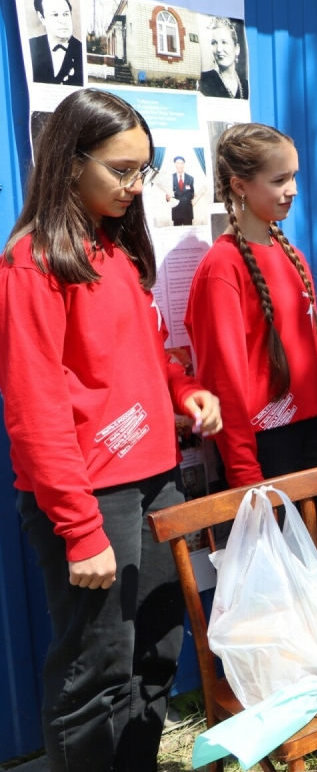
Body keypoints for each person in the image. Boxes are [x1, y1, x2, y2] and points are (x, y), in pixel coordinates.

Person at [0, 89, 223, 772]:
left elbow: (149, 355)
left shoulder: (117, 251)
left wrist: (185, 393)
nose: (134, 186)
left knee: (156, 649)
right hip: (92, 498)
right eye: (121, 169)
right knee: (95, 667)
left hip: (155, 481)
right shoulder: (32, 260)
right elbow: (33, 407)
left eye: (142, 170)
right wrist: (78, 526)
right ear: (70, 162)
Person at [185, 123, 317, 567]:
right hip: (263, 449)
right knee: (283, 592)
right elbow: (225, 383)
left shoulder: (289, 251)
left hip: (307, 439)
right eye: (279, 180)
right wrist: (245, 476)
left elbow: (311, 357)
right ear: (239, 185)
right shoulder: (222, 267)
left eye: (294, 177)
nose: (292, 190)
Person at [29, 0, 83, 86]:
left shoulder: (81, 50)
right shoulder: (29, 47)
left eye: (66, 14)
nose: (62, 21)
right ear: (42, 18)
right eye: (55, 15)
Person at [198, 17, 248, 100]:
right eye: (214, 43)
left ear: (237, 49)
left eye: (224, 42)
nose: (219, 49)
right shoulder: (203, 80)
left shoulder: (246, 86)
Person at [166, 156, 195, 226]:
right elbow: (168, 193)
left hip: (187, 212)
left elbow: (192, 193)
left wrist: (193, 195)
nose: (180, 165)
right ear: (175, 164)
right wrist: (168, 198)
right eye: (178, 163)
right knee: (177, 234)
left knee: (189, 235)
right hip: (176, 212)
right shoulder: (170, 178)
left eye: (182, 163)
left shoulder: (190, 178)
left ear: (184, 164)